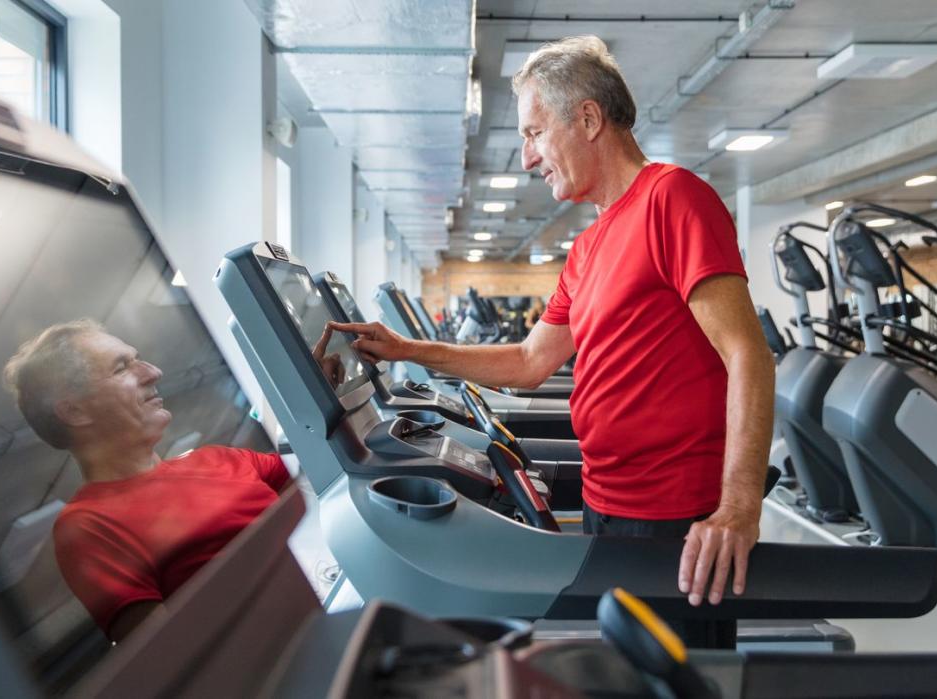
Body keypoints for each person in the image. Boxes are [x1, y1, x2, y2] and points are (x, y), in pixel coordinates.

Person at [330, 36, 774, 608]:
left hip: (674, 520)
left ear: (588, 119)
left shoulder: (673, 199)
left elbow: (747, 354)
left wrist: (738, 509)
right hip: (605, 501)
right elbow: (529, 361)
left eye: (534, 133)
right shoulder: (587, 248)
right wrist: (404, 349)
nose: (527, 157)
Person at [1, 319, 289, 641]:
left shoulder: (218, 458)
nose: (152, 372)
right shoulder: (88, 526)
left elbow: (324, 479)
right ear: (75, 412)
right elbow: (169, 655)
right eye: (121, 368)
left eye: (137, 359)